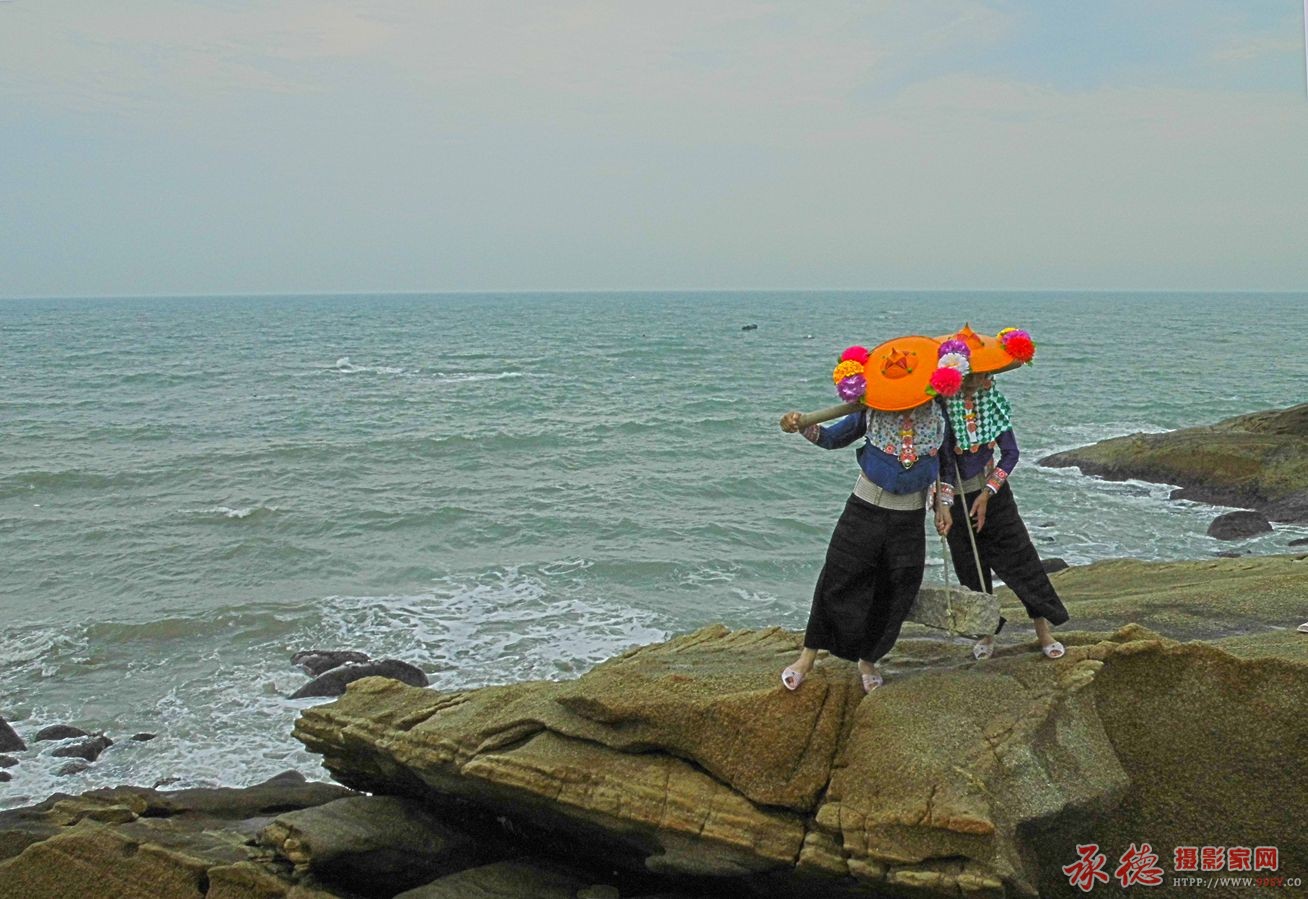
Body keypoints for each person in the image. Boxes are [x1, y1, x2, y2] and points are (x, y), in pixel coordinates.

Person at [778, 336, 961, 693]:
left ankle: (869, 659)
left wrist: (944, 505)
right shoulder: (872, 407)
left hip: (910, 516)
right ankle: (807, 657)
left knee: (898, 589)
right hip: (865, 508)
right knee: (838, 578)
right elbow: (832, 439)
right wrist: (801, 426)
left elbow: (946, 463)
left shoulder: (939, 411)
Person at [935, 326, 1069, 660]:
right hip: (954, 499)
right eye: (980, 376)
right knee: (970, 568)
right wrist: (944, 504)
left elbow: (1011, 454)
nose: (986, 380)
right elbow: (942, 463)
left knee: (1022, 560)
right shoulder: (941, 409)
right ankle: (987, 632)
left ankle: (1043, 631)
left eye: (987, 375)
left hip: (994, 495)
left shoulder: (992, 404)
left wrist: (987, 493)